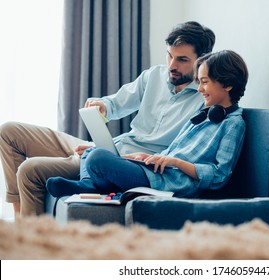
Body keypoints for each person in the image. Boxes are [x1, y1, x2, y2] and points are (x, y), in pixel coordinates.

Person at [0, 21, 216, 216]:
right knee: (9, 132)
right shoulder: (154, 76)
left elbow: (181, 157)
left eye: (182, 60)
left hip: (125, 163)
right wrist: (102, 105)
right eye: (169, 55)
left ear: (201, 61)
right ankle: (18, 217)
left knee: (30, 170)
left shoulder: (206, 102)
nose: (171, 65)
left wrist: (114, 157)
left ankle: (28, 237)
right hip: (106, 146)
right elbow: (116, 103)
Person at [46, 50, 248, 198]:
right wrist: (146, 157)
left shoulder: (233, 124)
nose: (200, 88)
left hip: (170, 183)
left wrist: (175, 162)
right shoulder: (205, 114)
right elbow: (173, 150)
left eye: (205, 82)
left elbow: (220, 176)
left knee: (98, 158)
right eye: (200, 82)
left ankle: (93, 185)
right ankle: (89, 185)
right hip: (158, 171)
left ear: (228, 84)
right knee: (93, 151)